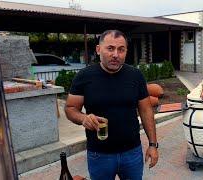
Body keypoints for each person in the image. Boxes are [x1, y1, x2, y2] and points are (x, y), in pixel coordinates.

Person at [65, 30, 158, 180]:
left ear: (126, 51)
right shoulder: (84, 76)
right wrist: (83, 118)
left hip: (132, 153)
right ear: (98, 49)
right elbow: (70, 108)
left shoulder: (135, 75)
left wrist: (153, 145)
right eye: (110, 48)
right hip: (99, 154)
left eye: (121, 49)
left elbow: (146, 110)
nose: (116, 54)